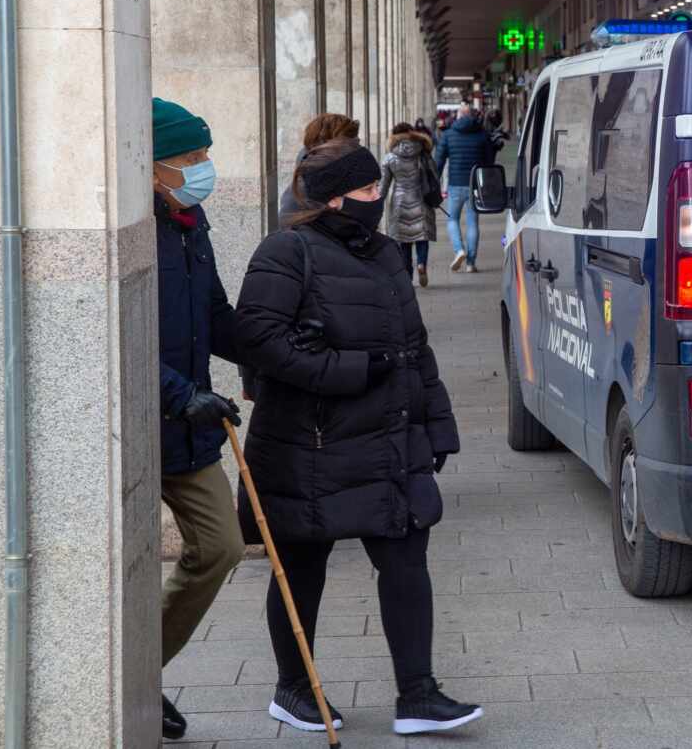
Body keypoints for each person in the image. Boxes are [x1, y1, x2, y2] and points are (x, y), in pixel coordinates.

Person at [233, 139, 481, 737]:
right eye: (370, 191)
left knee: (405, 556)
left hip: (388, 438)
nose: (379, 199)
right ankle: (292, 688)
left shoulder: (387, 254)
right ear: (335, 199)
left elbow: (415, 348)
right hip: (310, 446)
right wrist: (345, 369)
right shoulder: (285, 252)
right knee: (301, 563)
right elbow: (258, 340)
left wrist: (438, 422)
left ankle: (418, 694)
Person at [151, 98, 246, 741]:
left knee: (221, 546)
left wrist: (274, 345)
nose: (204, 168)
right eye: (191, 158)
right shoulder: (129, 223)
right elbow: (109, 330)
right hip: (139, 423)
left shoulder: (192, 218)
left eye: (206, 155)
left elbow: (213, 312)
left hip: (189, 426)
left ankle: (139, 670)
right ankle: (130, 683)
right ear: (152, 164)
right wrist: (177, 392)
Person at [434, 103, 492, 272]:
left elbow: (439, 161)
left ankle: (459, 250)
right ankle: (470, 263)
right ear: (472, 116)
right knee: (473, 222)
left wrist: (434, 183)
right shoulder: (482, 135)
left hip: (455, 185)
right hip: (475, 186)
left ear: (458, 116)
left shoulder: (448, 135)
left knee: (452, 219)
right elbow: (489, 161)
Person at [381, 121, 438, 286]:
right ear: (412, 133)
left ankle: (407, 275)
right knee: (422, 237)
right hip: (421, 199)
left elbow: (384, 186)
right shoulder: (423, 152)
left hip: (399, 203)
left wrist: (377, 205)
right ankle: (421, 263)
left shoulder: (390, 157)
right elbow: (434, 174)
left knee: (403, 241)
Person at [279, 113, 360, 220]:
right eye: (352, 144)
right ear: (331, 145)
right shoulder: (306, 193)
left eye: (357, 143)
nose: (358, 149)